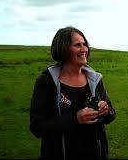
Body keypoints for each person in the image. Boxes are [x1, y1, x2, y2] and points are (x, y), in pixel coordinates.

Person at [29, 26, 116, 160]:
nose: (84, 49)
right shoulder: (47, 82)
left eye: (85, 44)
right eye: (77, 45)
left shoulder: (95, 79)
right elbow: (37, 127)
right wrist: (75, 119)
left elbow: (111, 115)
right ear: (63, 49)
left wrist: (106, 110)